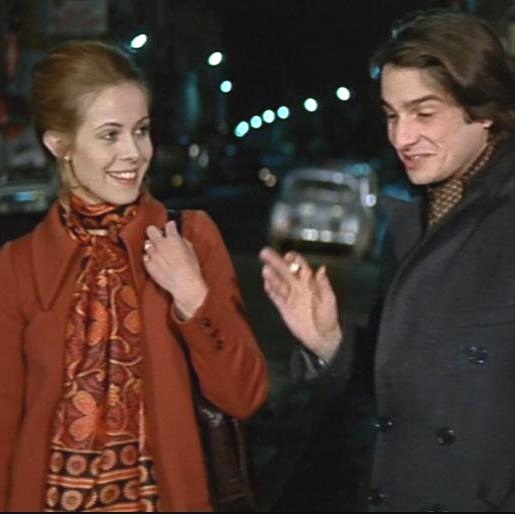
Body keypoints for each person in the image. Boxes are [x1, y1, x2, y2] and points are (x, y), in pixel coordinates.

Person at [260, 9, 515, 512]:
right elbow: (400, 390)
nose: (401, 138)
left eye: (424, 113)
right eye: (392, 115)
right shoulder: (414, 220)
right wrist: (328, 342)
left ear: (483, 109)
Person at [0, 40, 268, 512]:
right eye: (110, 135)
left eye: (141, 131)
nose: (134, 152)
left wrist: (191, 294)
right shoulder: (18, 265)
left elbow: (243, 396)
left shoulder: (191, 237)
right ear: (60, 144)